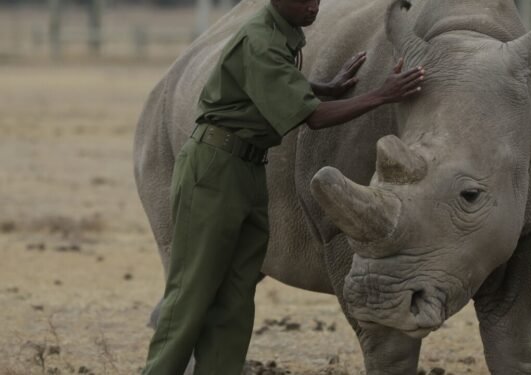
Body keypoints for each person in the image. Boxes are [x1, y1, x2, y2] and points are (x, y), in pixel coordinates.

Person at [142, 0, 425, 373]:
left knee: (237, 293)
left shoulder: (281, 32)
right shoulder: (260, 37)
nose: (313, 6)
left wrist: (323, 87)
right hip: (214, 169)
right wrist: (382, 95)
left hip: (249, 166)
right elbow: (314, 119)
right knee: (192, 291)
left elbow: (265, 83)